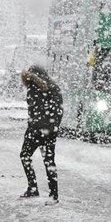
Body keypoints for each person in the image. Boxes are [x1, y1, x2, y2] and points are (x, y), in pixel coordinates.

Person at [19, 65, 63, 205]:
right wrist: (54, 127)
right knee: (49, 162)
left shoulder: (33, 88)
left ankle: (33, 187)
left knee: (25, 156)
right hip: (49, 131)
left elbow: (33, 111)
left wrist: (33, 127)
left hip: (35, 131)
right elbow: (59, 111)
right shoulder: (54, 87)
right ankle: (53, 195)